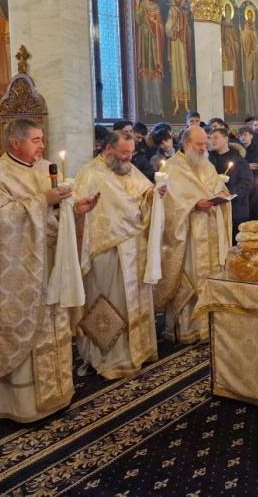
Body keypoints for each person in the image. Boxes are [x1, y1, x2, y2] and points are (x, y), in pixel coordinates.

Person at [0, 118, 98, 424]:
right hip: (20, 273)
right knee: (27, 331)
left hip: (51, 265)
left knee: (53, 327)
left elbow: (55, 215)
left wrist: (75, 210)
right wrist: (43, 201)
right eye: (36, 140)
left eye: (42, 139)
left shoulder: (45, 169)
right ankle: (22, 406)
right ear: (16, 142)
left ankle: (57, 394)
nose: (42, 145)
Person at [73, 131, 164, 379]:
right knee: (112, 302)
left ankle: (138, 351)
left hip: (134, 249)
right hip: (107, 251)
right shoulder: (90, 174)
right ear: (108, 149)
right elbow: (79, 212)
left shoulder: (129, 169)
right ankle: (110, 357)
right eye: (124, 152)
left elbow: (143, 194)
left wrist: (154, 195)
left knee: (134, 301)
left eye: (131, 152)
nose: (128, 157)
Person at [155, 126, 232, 344]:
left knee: (211, 277)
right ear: (186, 143)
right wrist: (193, 204)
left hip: (210, 230)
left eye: (205, 144)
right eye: (199, 144)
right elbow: (168, 204)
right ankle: (188, 329)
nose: (203, 148)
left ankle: (209, 325)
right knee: (190, 278)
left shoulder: (207, 165)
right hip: (187, 236)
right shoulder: (172, 168)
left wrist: (222, 194)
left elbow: (216, 186)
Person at [209, 127, 253, 235]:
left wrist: (228, 193)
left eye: (215, 138)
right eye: (210, 138)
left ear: (226, 139)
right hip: (214, 210)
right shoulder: (208, 161)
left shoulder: (238, 160)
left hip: (236, 210)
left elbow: (247, 183)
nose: (212, 141)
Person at [238, 126, 258, 221]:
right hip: (241, 181)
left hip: (254, 180)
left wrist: (242, 165)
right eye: (241, 135)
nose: (243, 137)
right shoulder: (237, 149)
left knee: (255, 204)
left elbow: (257, 164)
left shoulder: (257, 147)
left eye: (245, 135)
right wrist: (247, 165)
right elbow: (236, 164)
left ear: (251, 136)